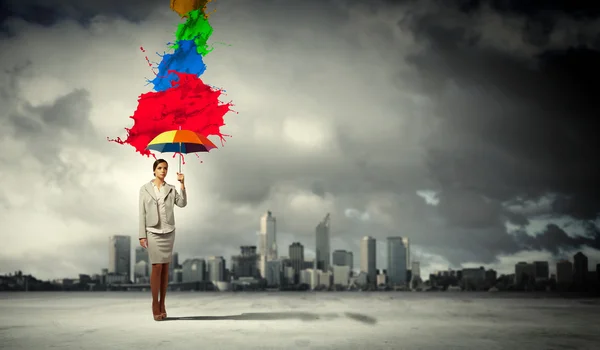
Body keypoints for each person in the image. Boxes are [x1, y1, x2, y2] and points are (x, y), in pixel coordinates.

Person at [139, 159, 187, 321]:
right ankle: (154, 303)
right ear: (154, 170)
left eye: (165, 168)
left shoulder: (171, 189)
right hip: (152, 231)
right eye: (159, 168)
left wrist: (182, 185)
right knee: (157, 266)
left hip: (169, 231)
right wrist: (142, 234)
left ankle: (163, 303)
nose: (163, 170)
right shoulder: (144, 189)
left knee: (166, 268)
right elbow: (142, 213)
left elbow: (183, 204)